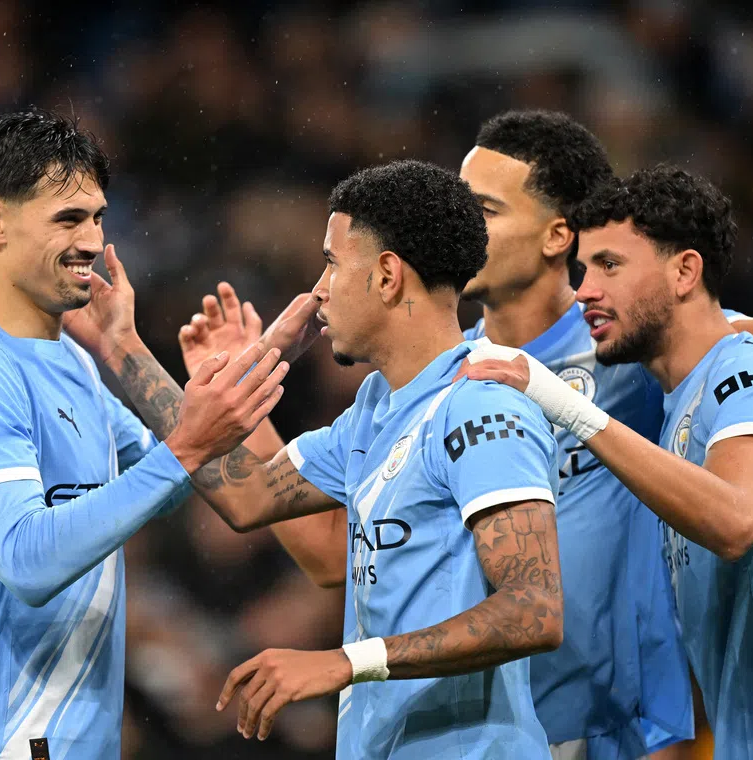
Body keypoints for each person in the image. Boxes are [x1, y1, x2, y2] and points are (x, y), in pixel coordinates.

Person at [68, 159, 565, 759]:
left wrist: (345, 661)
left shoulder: (481, 408)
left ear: (386, 276)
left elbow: (534, 610)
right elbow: (244, 495)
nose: (318, 290)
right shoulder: (376, 410)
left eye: (331, 263)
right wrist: (121, 347)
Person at [0, 110, 288, 759]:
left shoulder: (69, 359)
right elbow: (26, 559)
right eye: (67, 218)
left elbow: (187, 483)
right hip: (4, 742)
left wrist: (146, 365)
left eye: (96, 216)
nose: (91, 239)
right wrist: (188, 443)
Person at [464, 166, 753, 760]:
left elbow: (735, 520)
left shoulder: (747, 373)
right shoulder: (674, 405)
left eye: (609, 265)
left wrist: (568, 407)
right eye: (582, 270)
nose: (584, 292)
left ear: (685, 271)